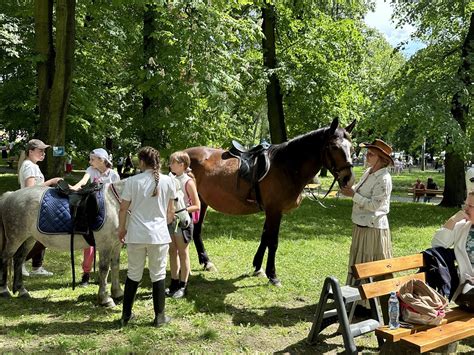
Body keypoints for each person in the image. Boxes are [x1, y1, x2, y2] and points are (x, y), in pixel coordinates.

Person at [118, 146, 176, 327]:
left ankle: (126, 316)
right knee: (157, 274)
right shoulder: (168, 181)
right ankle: (160, 317)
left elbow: (123, 209)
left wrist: (122, 229)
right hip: (158, 235)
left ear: (142, 162)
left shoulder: (132, 181)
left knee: (133, 274)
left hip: (136, 234)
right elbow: (171, 212)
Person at [340, 139, 394, 287]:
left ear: (382, 160)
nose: (367, 156)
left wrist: (353, 195)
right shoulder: (369, 172)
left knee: (371, 264)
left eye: (371, 154)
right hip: (361, 225)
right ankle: (357, 299)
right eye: (367, 153)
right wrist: (347, 188)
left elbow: (375, 205)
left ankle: (372, 302)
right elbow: (357, 189)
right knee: (359, 263)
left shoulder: (384, 179)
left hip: (373, 228)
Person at [71, 148, 120, 287]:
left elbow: (118, 194)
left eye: (92, 159)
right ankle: (86, 274)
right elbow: (83, 181)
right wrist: (74, 188)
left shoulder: (114, 175)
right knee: (89, 245)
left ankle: (104, 276)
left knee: (109, 247)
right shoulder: (91, 170)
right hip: (93, 210)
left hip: (109, 214)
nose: (90, 161)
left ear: (101, 160)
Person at [19, 139, 63, 277]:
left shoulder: (34, 165)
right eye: (40, 150)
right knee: (41, 237)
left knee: (40, 237)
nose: (43, 153)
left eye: (44, 151)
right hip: (30, 208)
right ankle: (20, 262)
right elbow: (30, 189)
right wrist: (51, 182)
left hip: (36, 207)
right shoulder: (29, 166)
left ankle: (37, 267)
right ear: (30, 151)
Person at [166, 151, 201, 299]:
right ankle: (173, 282)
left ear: (182, 165)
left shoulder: (188, 182)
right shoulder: (170, 179)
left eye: (173, 162)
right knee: (172, 252)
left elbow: (197, 205)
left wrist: (181, 211)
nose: (170, 165)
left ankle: (183, 284)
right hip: (171, 221)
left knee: (183, 253)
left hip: (183, 222)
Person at [431, 191, 474, 307]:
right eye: (465, 204)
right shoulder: (463, 227)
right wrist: (453, 220)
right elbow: (437, 244)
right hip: (469, 292)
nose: (465, 209)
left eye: (470, 206)